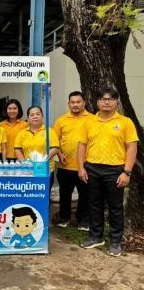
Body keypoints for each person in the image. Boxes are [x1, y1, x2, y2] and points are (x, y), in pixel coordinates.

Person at [78, 89, 138, 257]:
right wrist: (81, 168)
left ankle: (116, 241)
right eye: (103, 99)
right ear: (97, 102)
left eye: (111, 99)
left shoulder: (125, 122)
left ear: (116, 102)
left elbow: (132, 147)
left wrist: (127, 172)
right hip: (93, 169)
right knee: (94, 204)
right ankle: (96, 237)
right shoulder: (89, 122)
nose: (106, 102)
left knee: (115, 207)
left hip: (116, 170)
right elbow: (82, 145)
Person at [53, 91, 93, 231]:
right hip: (65, 166)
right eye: (72, 102)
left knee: (85, 195)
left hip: (87, 166)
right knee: (65, 194)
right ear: (68, 104)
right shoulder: (61, 120)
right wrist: (58, 153)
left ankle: (82, 220)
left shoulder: (93, 119)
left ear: (84, 103)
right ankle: (64, 218)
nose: (75, 105)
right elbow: (54, 140)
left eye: (78, 102)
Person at [14, 106, 59, 190]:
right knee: (29, 195)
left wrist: (41, 161)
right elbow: (17, 150)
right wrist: (25, 163)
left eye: (38, 114)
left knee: (44, 196)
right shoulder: (22, 133)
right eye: (32, 115)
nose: (35, 116)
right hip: (28, 170)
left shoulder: (49, 131)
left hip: (46, 169)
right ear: (28, 118)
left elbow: (55, 148)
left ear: (42, 116)